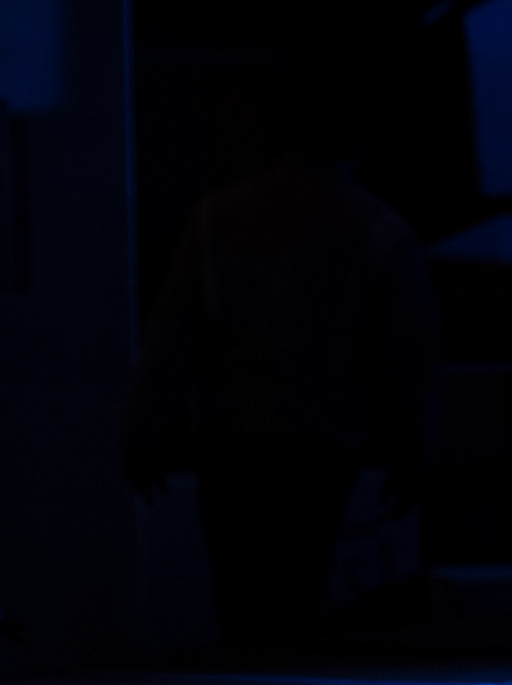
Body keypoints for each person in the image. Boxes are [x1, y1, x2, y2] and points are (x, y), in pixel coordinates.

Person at [122, 62, 441, 649]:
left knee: (240, 597)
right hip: (323, 442)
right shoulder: (379, 228)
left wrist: (144, 433)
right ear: (359, 137)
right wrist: (413, 445)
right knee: (299, 590)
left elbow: (170, 335)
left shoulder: (218, 217)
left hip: (230, 436)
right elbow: (408, 352)